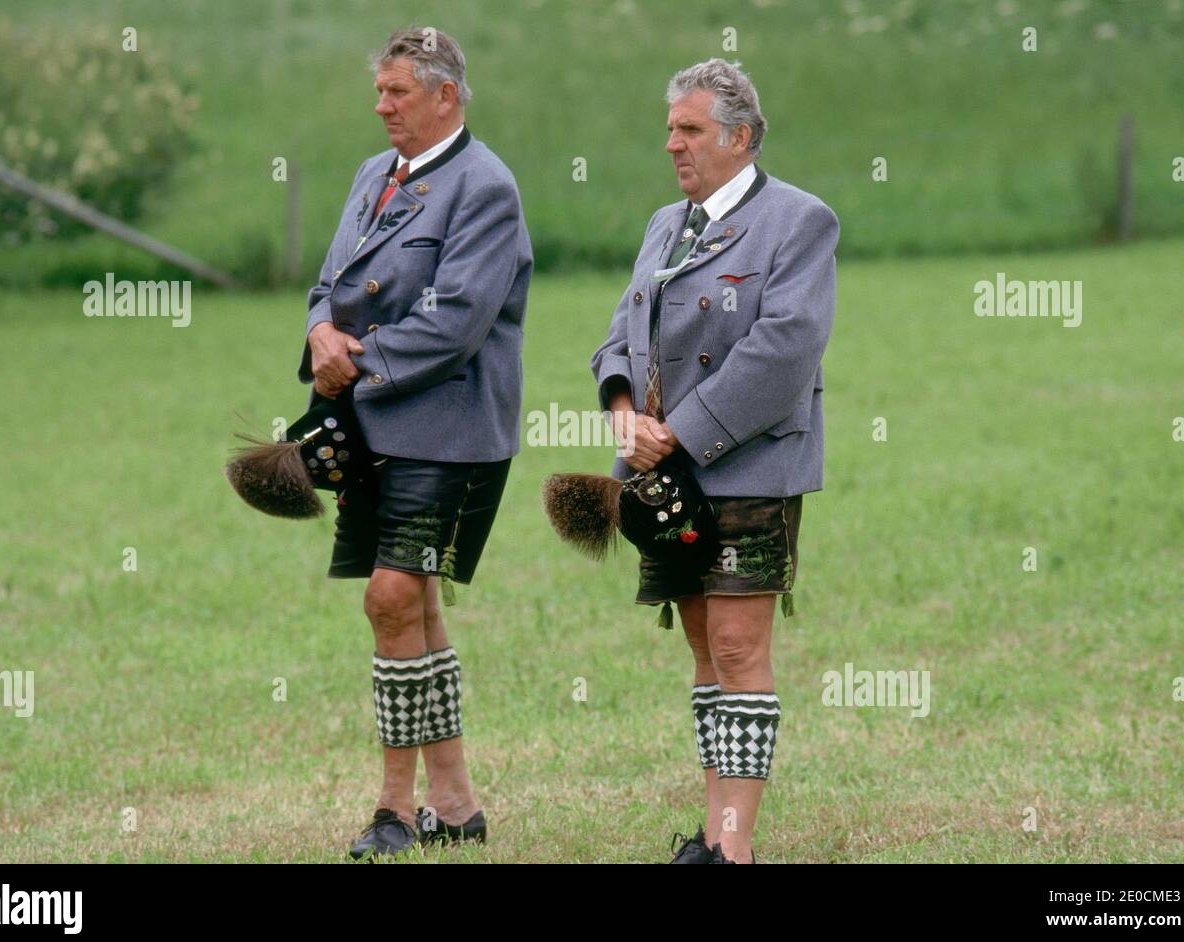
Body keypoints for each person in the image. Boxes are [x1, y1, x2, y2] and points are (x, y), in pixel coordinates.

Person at [590, 58, 838, 864]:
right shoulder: (666, 224)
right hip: (665, 477)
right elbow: (620, 334)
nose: (673, 144)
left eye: (690, 130)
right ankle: (709, 832)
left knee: (736, 646)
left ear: (741, 137)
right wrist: (623, 410)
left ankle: (735, 847)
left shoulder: (799, 221)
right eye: (671, 129)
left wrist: (680, 432)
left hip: (748, 464)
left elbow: (784, 350)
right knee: (702, 643)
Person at [298, 26, 532, 860]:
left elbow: (457, 324)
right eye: (380, 90)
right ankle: (457, 805)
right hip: (371, 422)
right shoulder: (374, 174)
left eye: (398, 92)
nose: (382, 106)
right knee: (416, 605)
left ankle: (394, 810)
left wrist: (350, 362)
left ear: (446, 96)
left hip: (450, 429)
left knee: (391, 598)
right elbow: (328, 283)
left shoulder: (486, 187)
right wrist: (319, 330)